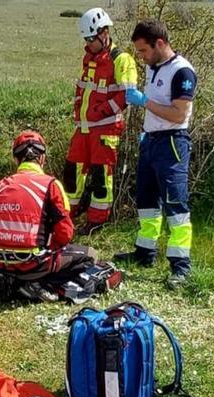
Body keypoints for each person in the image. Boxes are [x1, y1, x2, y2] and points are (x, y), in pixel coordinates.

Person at [114, 19, 196, 289]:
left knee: (175, 204)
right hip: (150, 141)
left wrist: (144, 102)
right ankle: (145, 253)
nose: (142, 57)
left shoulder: (182, 72)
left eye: (143, 51)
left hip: (172, 143)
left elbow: (178, 114)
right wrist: (147, 132)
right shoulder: (153, 68)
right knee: (147, 201)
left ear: (159, 43)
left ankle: (180, 267)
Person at [0, 130, 97, 301]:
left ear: (15, 159)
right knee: (90, 255)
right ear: (42, 158)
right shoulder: (51, 185)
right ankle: (37, 284)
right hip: (33, 264)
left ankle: (13, 282)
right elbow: (65, 234)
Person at [64, 7, 137, 236]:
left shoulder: (121, 60)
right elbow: (82, 88)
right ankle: (66, 215)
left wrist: (100, 111)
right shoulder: (89, 58)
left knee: (100, 176)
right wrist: (78, 107)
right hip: (83, 127)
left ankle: (97, 221)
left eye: (91, 39)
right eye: (85, 39)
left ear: (104, 32)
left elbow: (127, 95)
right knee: (72, 171)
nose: (88, 43)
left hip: (106, 129)